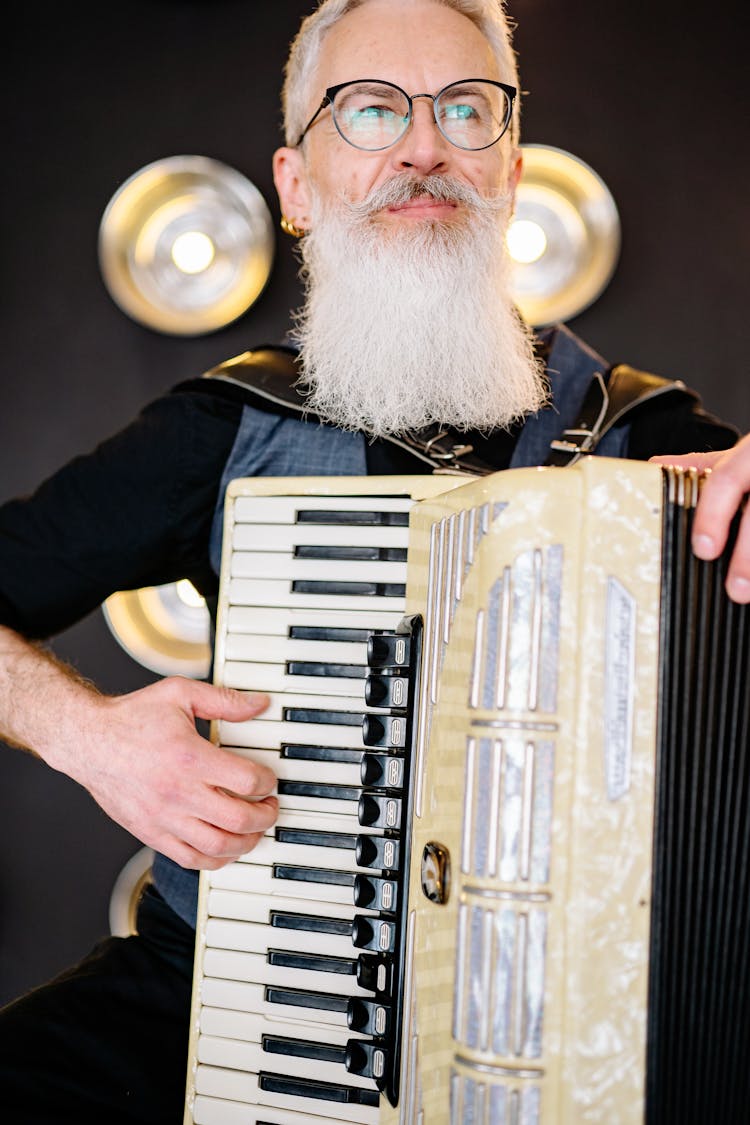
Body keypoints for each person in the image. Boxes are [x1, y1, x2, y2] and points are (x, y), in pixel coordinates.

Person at [0, 0, 748, 1121]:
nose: (422, 146)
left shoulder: (654, 437)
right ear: (297, 187)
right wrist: (88, 737)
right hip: (224, 1002)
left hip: (593, 1030)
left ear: (509, 167)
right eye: (369, 111)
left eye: (465, 108)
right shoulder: (223, 428)